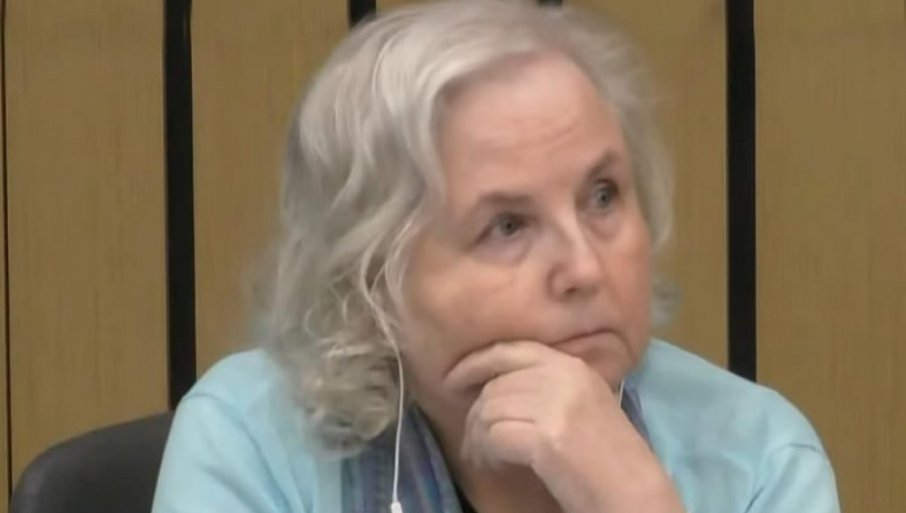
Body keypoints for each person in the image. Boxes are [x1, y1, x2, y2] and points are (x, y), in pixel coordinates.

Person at [151, 1, 840, 512]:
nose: (586, 268)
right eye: (507, 226)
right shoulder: (252, 442)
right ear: (373, 282)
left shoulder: (758, 458)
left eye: (603, 196)